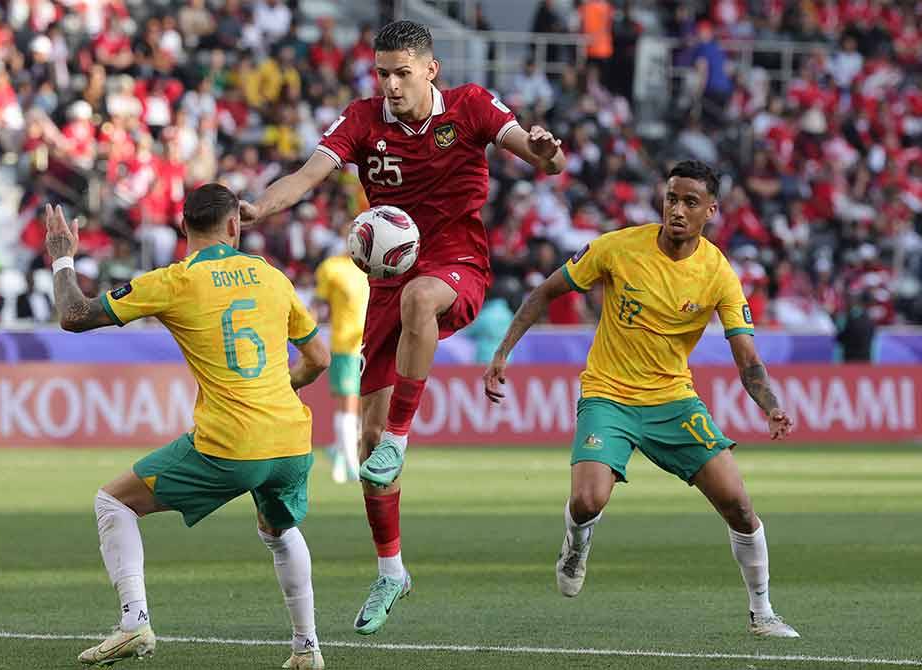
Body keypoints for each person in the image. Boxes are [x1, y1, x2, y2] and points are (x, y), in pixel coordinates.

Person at [240, 19, 566, 635]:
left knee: (419, 307)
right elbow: (307, 176)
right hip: (387, 284)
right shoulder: (363, 119)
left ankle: (401, 436)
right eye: (382, 73)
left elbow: (541, 156)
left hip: (458, 265)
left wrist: (546, 151)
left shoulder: (470, 106)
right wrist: (258, 206)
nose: (390, 85)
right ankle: (391, 570)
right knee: (365, 444)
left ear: (430, 70)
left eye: (402, 73)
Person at [483, 160, 801, 639]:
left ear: (711, 210)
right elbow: (545, 291)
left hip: (673, 400)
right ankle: (576, 543)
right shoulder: (618, 247)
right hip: (608, 394)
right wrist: (502, 352)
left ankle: (763, 612)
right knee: (587, 500)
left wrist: (770, 404)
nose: (677, 210)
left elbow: (748, 359)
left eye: (690, 202)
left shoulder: (718, 273)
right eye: (672, 198)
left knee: (737, 503)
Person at [43, 183, 330, 669]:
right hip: (290, 440)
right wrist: (280, 389)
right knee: (279, 530)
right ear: (235, 225)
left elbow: (74, 315)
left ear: (183, 227)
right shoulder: (272, 276)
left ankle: (134, 622)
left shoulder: (175, 280)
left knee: (113, 502)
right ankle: (307, 648)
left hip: (231, 443)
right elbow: (319, 358)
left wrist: (61, 257)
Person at [314, 232, 370, 483]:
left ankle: (338, 451)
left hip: (368, 345)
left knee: (362, 407)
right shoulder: (332, 268)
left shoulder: (369, 269)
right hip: (345, 345)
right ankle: (351, 464)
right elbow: (318, 304)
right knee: (347, 403)